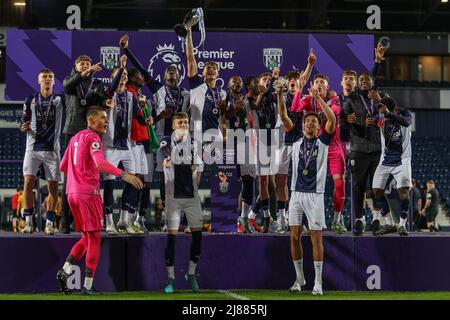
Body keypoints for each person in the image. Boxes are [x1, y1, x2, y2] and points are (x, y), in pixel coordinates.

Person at [56, 106, 143, 295]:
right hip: (88, 194)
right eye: (102, 117)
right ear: (91, 120)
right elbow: (100, 163)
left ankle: (65, 270)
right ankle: (87, 287)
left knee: (86, 238)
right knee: (95, 238)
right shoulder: (93, 138)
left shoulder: (74, 139)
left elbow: (63, 166)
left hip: (72, 194)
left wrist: (78, 177)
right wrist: (124, 175)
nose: (105, 121)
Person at [120, 35, 190, 231]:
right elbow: (141, 69)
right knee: (160, 177)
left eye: (174, 70)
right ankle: (167, 219)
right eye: (168, 70)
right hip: (159, 140)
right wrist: (126, 51)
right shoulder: (157, 88)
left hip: (180, 141)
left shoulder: (186, 94)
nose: (171, 71)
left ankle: (181, 218)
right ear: (164, 74)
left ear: (178, 75)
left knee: (180, 180)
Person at [275, 78, 336, 296]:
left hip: (315, 195)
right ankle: (299, 278)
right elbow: (283, 116)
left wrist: (318, 98)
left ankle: (318, 282)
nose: (310, 123)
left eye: (314, 122)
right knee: (294, 236)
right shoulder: (296, 139)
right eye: (308, 121)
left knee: (316, 238)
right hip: (296, 194)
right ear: (303, 125)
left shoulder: (323, 142)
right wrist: (281, 94)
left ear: (319, 127)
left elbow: (332, 118)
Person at [61, 55, 119, 234]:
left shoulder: (97, 84)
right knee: (69, 177)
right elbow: (67, 87)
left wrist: (106, 103)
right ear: (76, 66)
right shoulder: (70, 80)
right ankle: (65, 220)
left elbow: (100, 102)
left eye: (87, 63)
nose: (86, 66)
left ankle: (83, 220)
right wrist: (85, 72)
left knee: (92, 174)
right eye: (82, 64)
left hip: (92, 132)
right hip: (72, 131)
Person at [102, 56, 152, 235]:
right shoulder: (108, 92)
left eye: (124, 75)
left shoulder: (131, 96)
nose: (123, 77)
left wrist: (147, 119)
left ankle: (124, 220)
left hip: (127, 146)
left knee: (134, 181)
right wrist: (122, 67)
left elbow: (139, 116)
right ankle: (108, 222)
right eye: (119, 75)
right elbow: (112, 86)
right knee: (109, 184)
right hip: (110, 147)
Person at [291, 73, 347, 234]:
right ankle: (309, 223)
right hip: (314, 147)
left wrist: (319, 99)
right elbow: (294, 109)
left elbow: (334, 114)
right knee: (309, 186)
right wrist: (300, 91)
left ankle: (337, 220)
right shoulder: (308, 99)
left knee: (339, 184)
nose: (319, 85)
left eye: (322, 82)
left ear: (327, 87)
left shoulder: (334, 99)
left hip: (333, 147)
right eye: (316, 83)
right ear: (313, 86)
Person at [162, 112, 204, 294]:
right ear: (173, 125)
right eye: (180, 122)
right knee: (171, 239)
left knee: (197, 237)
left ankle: (191, 274)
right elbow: (165, 161)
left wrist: (193, 189)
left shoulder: (195, 144)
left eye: (186, 122)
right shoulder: (165, 142)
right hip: (173, 198)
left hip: (191, 197)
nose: (184, 125)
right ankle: (170, 279)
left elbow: (199, 168)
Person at [20, 69, 64, 235]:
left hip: (53, 149)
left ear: (54, 82)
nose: (47, 79)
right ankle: (28, 222)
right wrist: (22, 126)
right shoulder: (30, 99)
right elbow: (24, 121)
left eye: (50, 77)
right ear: (39, 81)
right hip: (32, 147)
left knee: (53, 187)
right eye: (44, 77)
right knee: (28, 182)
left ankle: (49, 223)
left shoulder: (60, 99)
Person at [371, 97, 413, 236]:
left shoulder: (405, 113)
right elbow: (373, 121)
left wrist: (390, 114)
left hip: (402, 159)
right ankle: (389, 223)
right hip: (385, 160)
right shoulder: (381, 116)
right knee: (376, 191)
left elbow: (407, 123)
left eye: (386, 113)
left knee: (403, 191)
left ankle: (402, 224)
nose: (384, 118)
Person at [246, 70, 279, 233]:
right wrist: (265, 87)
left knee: (271, 186)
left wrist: (275, 82)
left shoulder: (273, 97)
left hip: (274, 139)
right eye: (264, 79)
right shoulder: (252, 97)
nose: (267, 81)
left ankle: (252, 214)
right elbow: (256, 105)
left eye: (268, 79)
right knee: (263, 181)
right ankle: (266, 217)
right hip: (259, 140)